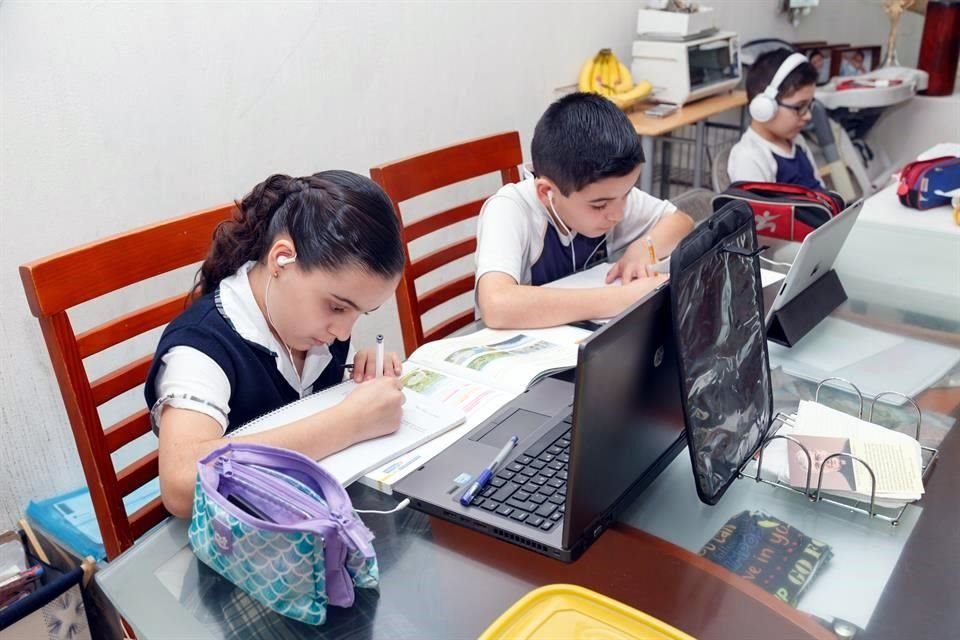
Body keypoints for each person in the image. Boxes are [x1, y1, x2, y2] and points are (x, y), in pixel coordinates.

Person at [145, 171, 407, 517]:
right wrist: (348, 422)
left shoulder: (309, 324)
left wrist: (356, 378)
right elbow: (180, 484)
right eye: (338, 307)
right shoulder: (202, 348)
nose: (344, 333)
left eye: (361, 313)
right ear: (281, 259)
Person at [475, 92, 694, 329]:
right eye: (599, 205)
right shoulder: (510, 209)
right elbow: (496, 305)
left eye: (628, 193)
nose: (618, 214)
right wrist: (622, 299)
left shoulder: (610, 194)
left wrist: (643, 248)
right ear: (546, 192)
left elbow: (681, 222)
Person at [728, 49, 824, 190]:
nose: (808, 115)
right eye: (800, 107)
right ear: (765, 107)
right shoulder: (749, 157)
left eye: (809, 105)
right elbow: (763, 211)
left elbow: (821, 190)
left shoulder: (797, 142)